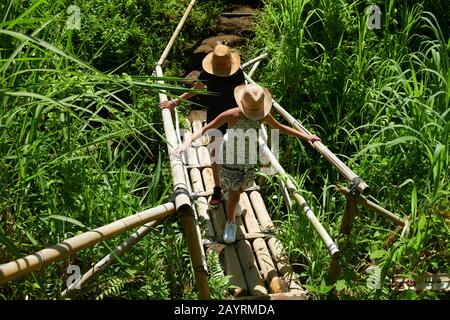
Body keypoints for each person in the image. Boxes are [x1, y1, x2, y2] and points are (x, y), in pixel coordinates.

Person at [172, 83, 322, 244]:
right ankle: (230, 223)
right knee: (236, 191)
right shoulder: (232, 114)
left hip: (248, 157)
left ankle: (231, 196)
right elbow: (208, 127)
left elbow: (280, 127)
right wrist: (187, 142)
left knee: (242, 187)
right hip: (230, 157)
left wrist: (306, 136)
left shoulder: (262, 117)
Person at [160, 44, 245, 208]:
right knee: (215, 154)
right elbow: (197, 89)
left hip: (234, 117)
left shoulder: (237, 73)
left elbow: (243, 93)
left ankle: (231, 186)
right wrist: (176, 101)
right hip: (215, 116)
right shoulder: (207, 73)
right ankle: (218, 188)